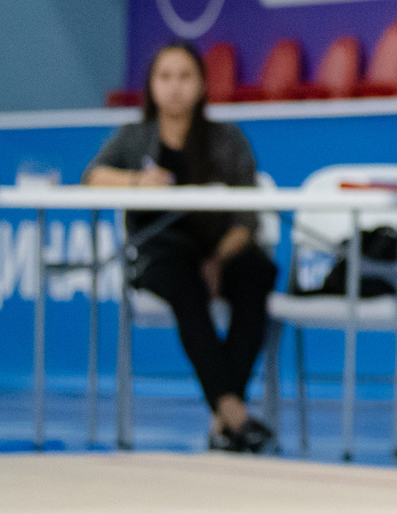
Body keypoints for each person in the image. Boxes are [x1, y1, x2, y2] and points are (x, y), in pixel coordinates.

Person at [84, 44, 275, 453]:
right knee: (185, 284)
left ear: (203, 84)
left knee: (257, 273)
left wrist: (220, 258)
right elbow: (94, 176)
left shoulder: (227, 139)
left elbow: (248, 216)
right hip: (161, 255)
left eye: (185, 76)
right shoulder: (134, 138)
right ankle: (232, 413)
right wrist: (138, 182)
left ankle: (224, 417)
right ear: (151, 86)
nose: (174, 87)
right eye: (164, 77)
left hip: (221, 248)